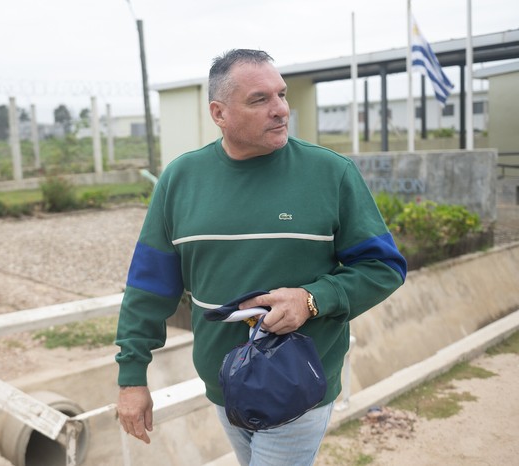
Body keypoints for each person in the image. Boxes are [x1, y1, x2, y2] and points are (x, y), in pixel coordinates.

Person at [115, 48, 407, 466]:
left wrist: (311, 299)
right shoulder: (180, 180)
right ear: (220, 113)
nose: (280, 110)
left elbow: (384, 267)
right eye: (260, 99)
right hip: (221, 382)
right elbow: (147, 288)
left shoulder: (330, 173)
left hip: (299, 381)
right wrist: (131, 378)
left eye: (282, 95)